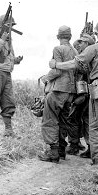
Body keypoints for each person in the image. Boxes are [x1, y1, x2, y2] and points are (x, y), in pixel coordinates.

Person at [49, 19, 98, 168]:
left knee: (95, 126)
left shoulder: (94, 48)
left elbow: (74, 63)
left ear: (97, 33)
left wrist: (56, 64)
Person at [38, 25, 78, 163]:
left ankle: (53, 154)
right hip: (70, 92)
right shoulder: (75, 50)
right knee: (63, 121)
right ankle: (61, 151)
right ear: (70, 37)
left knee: (50, 119)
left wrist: (46, 78)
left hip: (58, 90)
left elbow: (57, 71)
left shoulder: (58, 49)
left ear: (58, 37)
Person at [72, 33, 95, 158]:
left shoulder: (88, 56)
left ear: (87, 44)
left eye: (82, 42)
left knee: (86, 120)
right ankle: (80, 145)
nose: (79, 44)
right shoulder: (86, 54)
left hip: (85, 93)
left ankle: (89, 147)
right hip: (83, 92)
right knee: (81, 119)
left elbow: (85, 71)